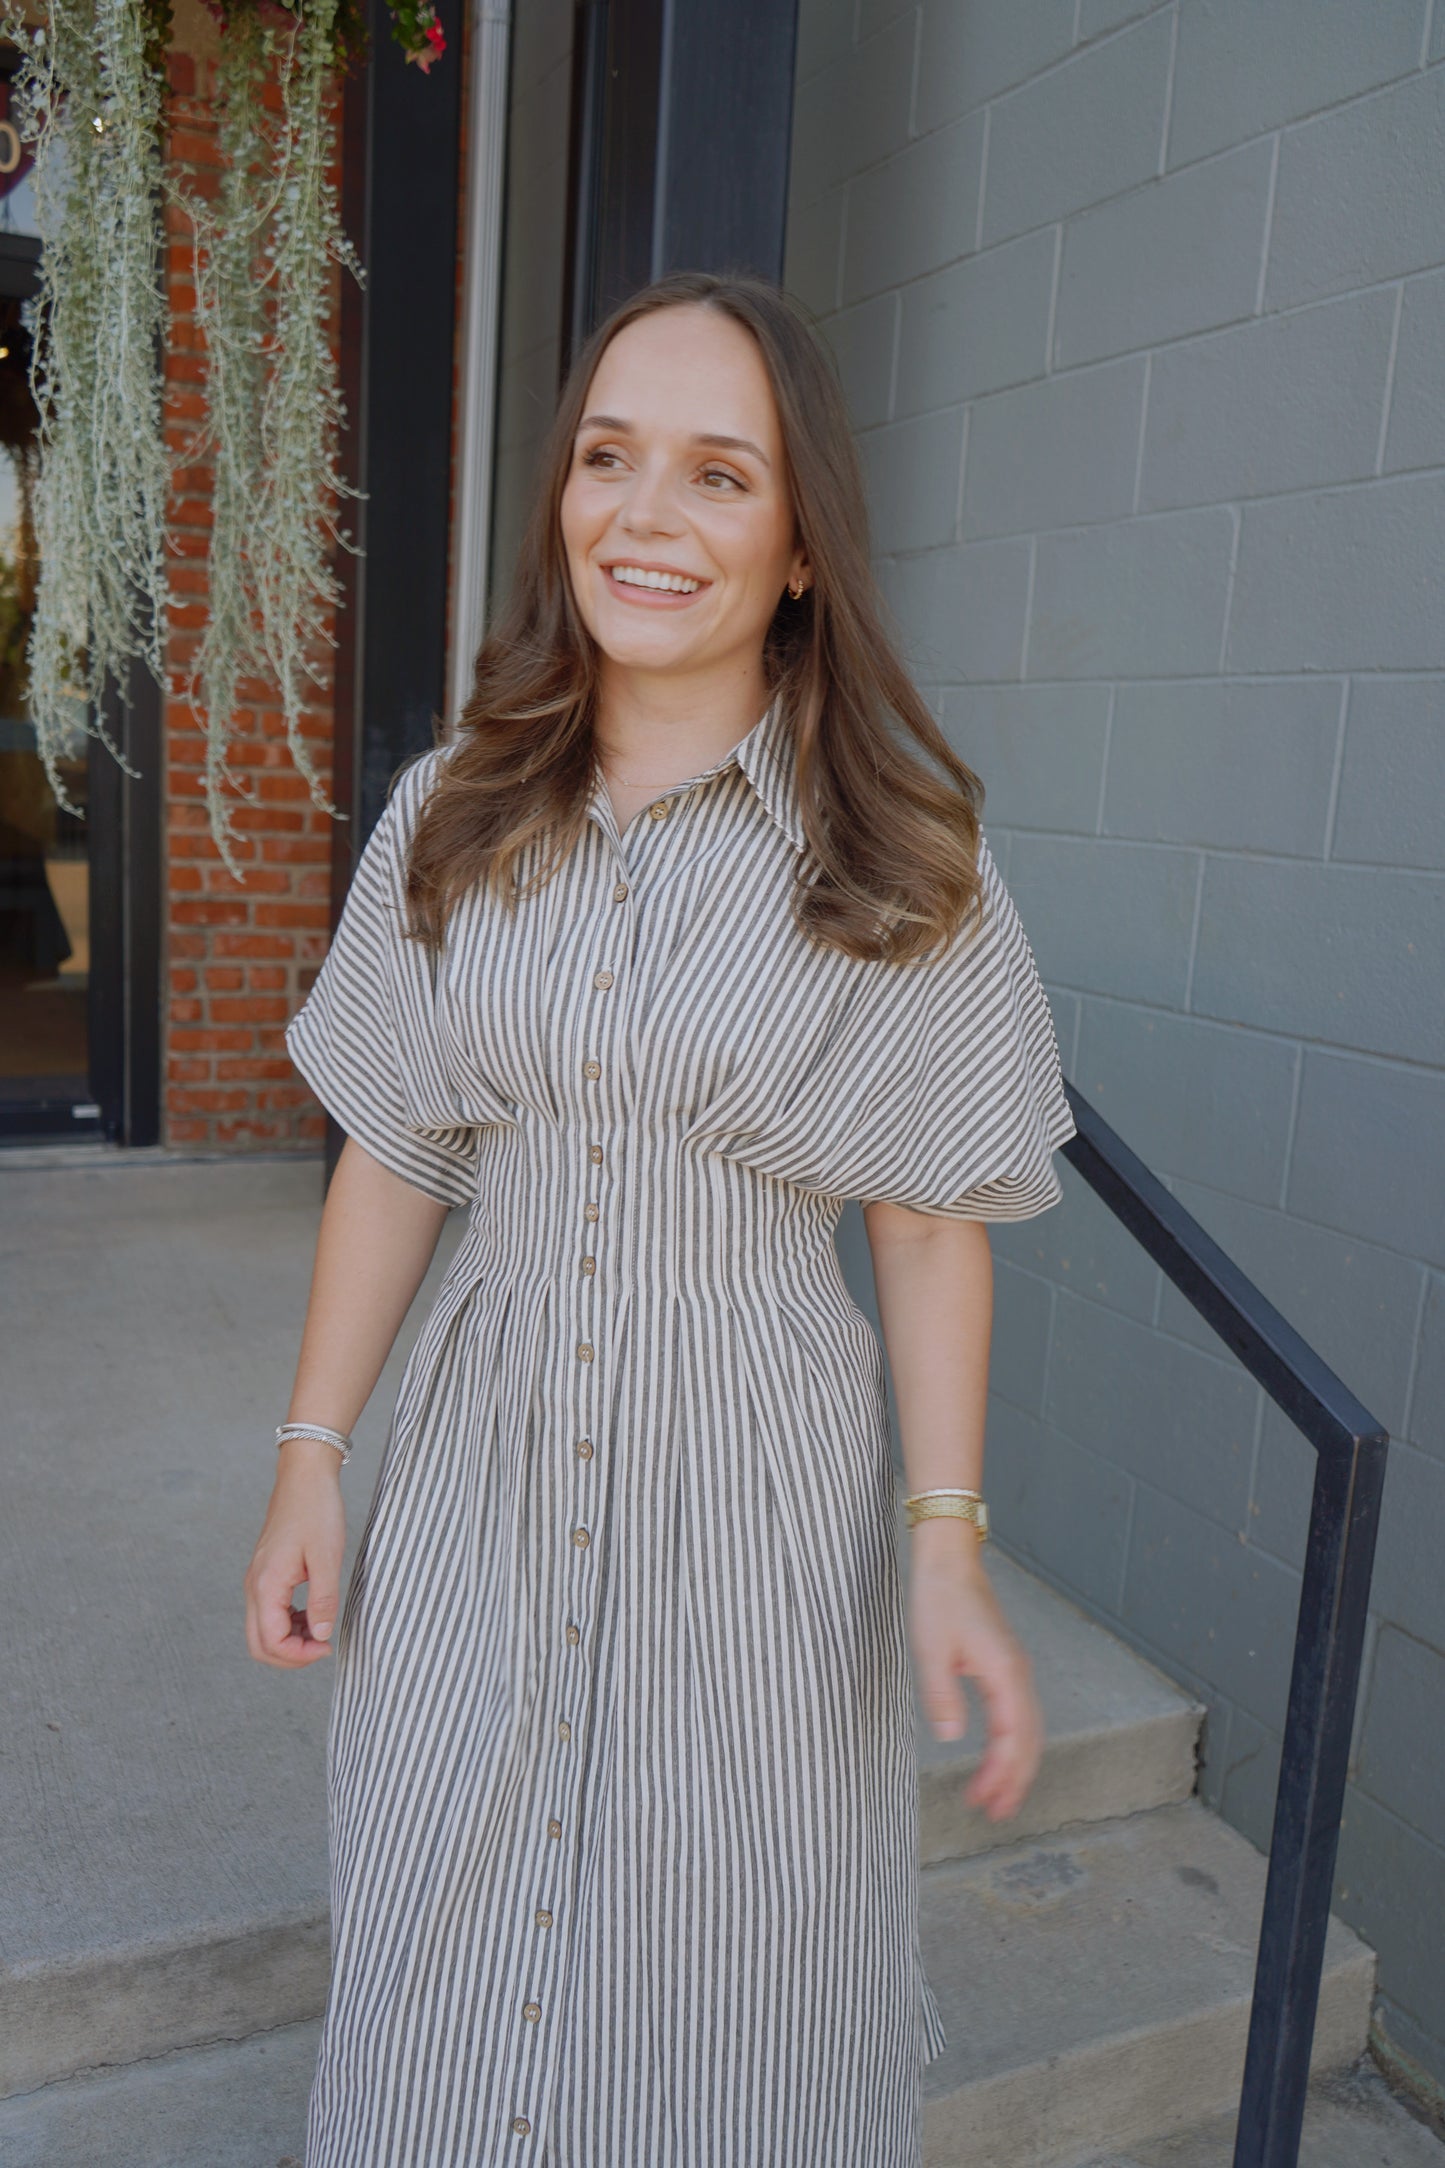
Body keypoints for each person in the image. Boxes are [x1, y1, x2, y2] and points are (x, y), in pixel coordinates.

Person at [244, 268, 1076, 2168]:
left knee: (727, 1971)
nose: (646, 516)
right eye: (611, 459)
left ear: (798, 548)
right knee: (443, 1927)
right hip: (480, 1461)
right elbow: (393, 1140)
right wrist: (311, 1453)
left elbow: (930, 1216)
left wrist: (944, 1541)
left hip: (751, 1485)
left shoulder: (893, 852)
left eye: (718, 476)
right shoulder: (454, 812)